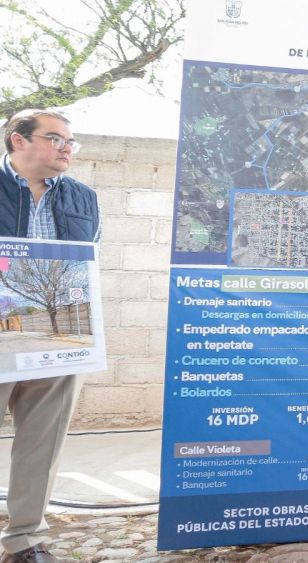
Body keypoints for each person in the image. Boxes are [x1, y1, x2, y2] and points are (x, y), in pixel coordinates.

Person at [0, 109, 100, 563]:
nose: (66, 149)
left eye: (70, 142)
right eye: (56, 139)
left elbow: (88, 262)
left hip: (57, 350)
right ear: (17, 141)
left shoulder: (83, 198)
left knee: (44, 440)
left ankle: (25, 541)